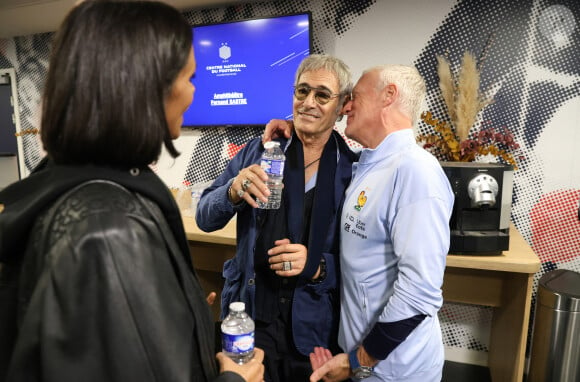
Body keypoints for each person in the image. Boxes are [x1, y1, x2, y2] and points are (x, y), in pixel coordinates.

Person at [0, 1, 264, 382]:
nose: (193, 94)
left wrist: (184, 317)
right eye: (189, 78)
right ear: (145, 87)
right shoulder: (110, 229)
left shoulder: (76, 189)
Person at [264, 64, 453, 381]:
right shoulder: (370, 163)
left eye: (355, 97)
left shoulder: (415, 172)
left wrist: (357, 359)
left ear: (388, 96)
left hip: (395, 368)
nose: (346, 106)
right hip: (363, 361)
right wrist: (296, 125)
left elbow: (420, 290)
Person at [195, 54, 358, 381]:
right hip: (251, 318)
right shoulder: (260, 150)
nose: (309, 102)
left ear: (342, 105)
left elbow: (365, 262)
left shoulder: (352, 170)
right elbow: (204, 217)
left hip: (314, 331)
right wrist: (234, 189)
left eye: (322, 95)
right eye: (302, 91)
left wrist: (318, 265)